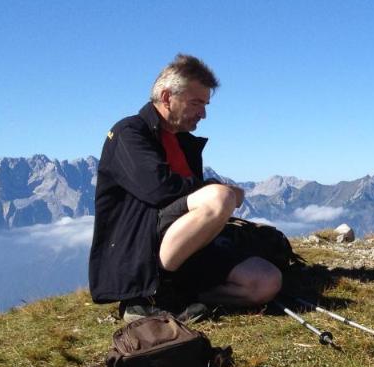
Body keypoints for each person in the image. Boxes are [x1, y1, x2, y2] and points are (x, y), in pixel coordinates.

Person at [89, 54, 282, 318]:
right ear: (167, 97)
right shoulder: (129, 133)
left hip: (185, 249)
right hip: (143, 251)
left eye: (205, 104)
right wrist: (216, 189)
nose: (203, 113)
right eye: (196, 103)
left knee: (267, 282)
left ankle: (183, 299)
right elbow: (159, 189)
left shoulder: (182, 142)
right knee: (218, 198)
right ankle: (151, 296)